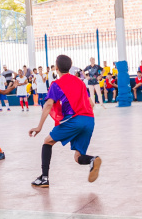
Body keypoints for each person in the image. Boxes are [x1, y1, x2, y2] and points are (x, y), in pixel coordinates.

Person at [29, 54, 102, 188]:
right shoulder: (79, 81)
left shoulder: (56, 84)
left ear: (56, 68)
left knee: (47, 141)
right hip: (89, 120)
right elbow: (91, 104)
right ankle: (93, 160)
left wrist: (39, 127)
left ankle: (44, 178)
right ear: (70, 67)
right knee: (78, 157)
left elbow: (48, 105)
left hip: (75, 120)